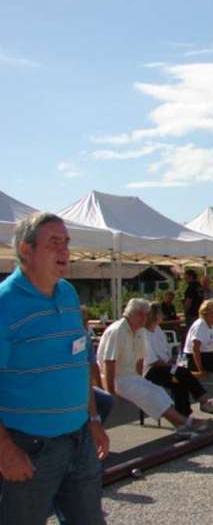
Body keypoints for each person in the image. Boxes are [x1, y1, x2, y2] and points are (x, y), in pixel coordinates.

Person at [0, 213, 108, 525]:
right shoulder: (5, 304)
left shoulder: (68, 293)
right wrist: (5, 450)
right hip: (30, 448)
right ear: (26, 249)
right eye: (54, 243)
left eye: (66, 243)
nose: (64, 251)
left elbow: (79, 362)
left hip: (79, 440)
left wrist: (93, 419)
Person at [97, 298, 208, 439]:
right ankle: (188, 422)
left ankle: (181, 426)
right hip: (116, 377)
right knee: (151, 394)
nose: (145, 318)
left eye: (146, 314)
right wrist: (110, 391)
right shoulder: (117, 330)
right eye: (142, 314)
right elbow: (108, 362)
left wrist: (140, 379)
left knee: (158, 392)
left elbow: (140, 359)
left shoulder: (139, 331)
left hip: (130, 376)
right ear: (133, 314)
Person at [143, 302, 213, 417]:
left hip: (164, 366)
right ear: (154, 315)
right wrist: (171, 365)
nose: (163, 316)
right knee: (182, 372)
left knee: (180, 383)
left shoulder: (158, 330)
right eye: (160, 313)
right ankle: (204, 401)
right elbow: (152, 360)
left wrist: (171, 362)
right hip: (151, 370)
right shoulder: (144, 334)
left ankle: (184, 416)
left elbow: (165, 353)